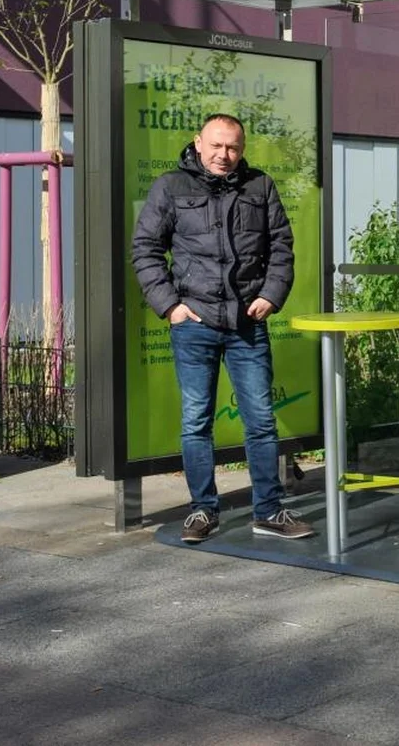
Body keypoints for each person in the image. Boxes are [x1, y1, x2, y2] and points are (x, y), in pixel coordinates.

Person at [131, 113, 314, 544]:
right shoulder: (171, 187)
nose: (223, 155)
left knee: (261, 420)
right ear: (198, 143)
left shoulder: (260, 186)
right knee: (196, 421)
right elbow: (146, 248)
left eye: (232, 147)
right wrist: (170, 306)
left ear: (242, 148)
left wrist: (272, 294)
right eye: (216, 145)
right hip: (194, 323)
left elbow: (281, 246)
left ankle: (268, 511)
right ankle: (202, 510)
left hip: (247, 323)